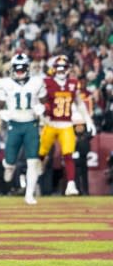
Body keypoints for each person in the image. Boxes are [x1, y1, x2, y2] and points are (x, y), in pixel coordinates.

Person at [40, 55, 95, 196]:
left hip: (66, 123)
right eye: (58, 68)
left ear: (68, 69)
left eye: (63, 68)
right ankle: (31, 179)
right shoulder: (46, 82)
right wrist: (39, 113)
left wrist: (88, 120)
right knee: (40, 154)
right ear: (53, 69)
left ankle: (71, 185)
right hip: (50, 123)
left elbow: (80, 103)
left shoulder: (72, 83)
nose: (60, 70)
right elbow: (38, 98)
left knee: (68, 154)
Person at [0, 52, 46, 204]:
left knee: (33, 161)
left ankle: (29, 194)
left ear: (27, 67)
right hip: (14, 124)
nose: (19, 70)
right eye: (16, 67)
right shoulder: (5, 83)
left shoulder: (37, 82)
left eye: (21, 67)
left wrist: (41, 107)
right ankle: (8, 166)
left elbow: (44, 101)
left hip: (31, 124)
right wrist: (1, 112)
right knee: (10, 161)